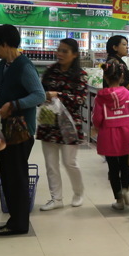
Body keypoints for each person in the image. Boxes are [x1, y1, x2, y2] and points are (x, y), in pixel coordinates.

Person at [0, 24, 45, 236]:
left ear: (5, 44)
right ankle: (16, 219)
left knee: (16, 177)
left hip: (20, 131)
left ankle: (19, 223)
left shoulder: (23, 66)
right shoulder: (6, 64)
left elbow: (39, 95)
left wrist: (14, 105)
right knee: (8, 175)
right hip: (8, 131)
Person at [37, 38, 88, 211]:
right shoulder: (50, 71)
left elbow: (80, 100)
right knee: (51, 163)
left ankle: (78, 192)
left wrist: (57, 95)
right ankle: (56, 198)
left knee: (69, 162)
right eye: (59, 50)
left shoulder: (80, 75)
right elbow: (39, 93)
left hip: (70, 124)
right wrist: (45, 96)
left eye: (65, 51)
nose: (60, 54)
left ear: (74, 55)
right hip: (48, 121)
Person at [94, 59, 129, 211]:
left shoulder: (100, 97)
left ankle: (119, 199)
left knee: (113, 168)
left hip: (108, 134)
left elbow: (98, 118)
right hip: (127, 133)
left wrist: (97, 127)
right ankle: (125, 188)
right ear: (122, 77)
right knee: (125, 165)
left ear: (105, 78)